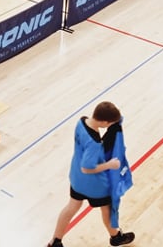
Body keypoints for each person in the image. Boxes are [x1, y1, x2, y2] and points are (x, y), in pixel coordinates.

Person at [46, 101, 135, 247]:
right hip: (95, 185)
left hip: (77, 179)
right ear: (104, 122)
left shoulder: (81, 122)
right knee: (107, 209)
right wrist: (110, 165)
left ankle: (55, 241)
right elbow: (87, 168)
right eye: (109, 123)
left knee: (72, 207)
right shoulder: (94, 143)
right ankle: (116, 237)